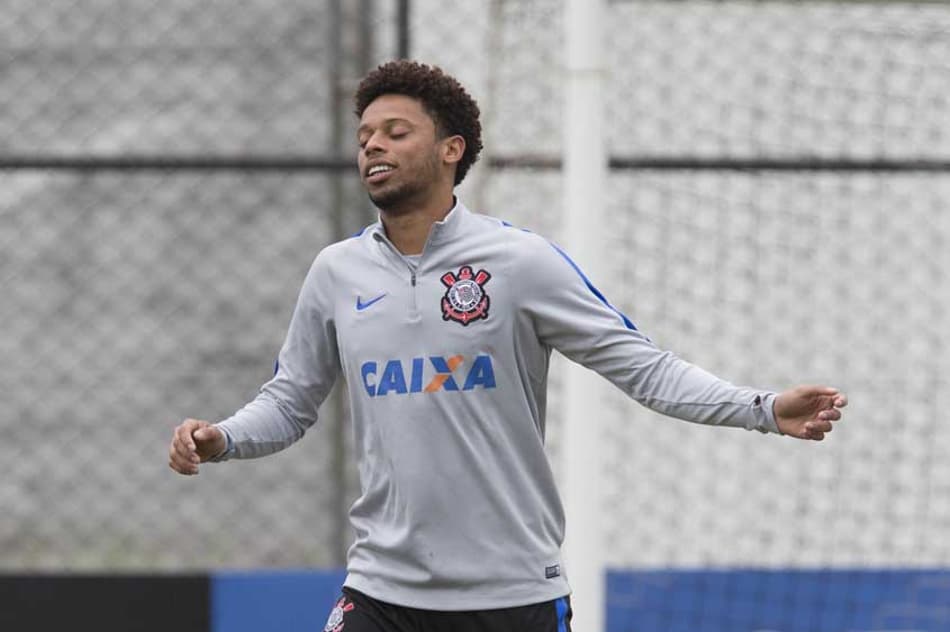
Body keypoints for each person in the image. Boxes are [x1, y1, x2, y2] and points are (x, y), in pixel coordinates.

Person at [168, 60, 847, 632]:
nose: (371, 146)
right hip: (382, 590)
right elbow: (291, 401)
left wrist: (761, 407)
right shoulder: (336, 272)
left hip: (511, 597)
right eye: (365, 134)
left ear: (450, 148)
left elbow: (643, 367)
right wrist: (221, 437)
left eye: (395, 132)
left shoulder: (520, 263)